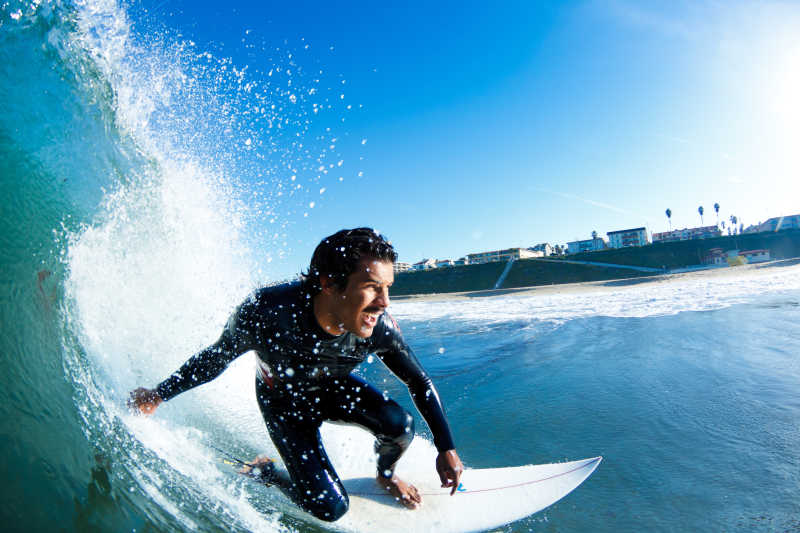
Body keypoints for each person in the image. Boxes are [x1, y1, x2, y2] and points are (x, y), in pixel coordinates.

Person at [129, 227, 463, 521]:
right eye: (373, 287)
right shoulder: (267, 312)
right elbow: (217, 357)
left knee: (399, 425)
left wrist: (445, 447)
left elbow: (419, 381)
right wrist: (158, 395)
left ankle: (386, 475)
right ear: (329, 283)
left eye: (387, 287)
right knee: (330, 509)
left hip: (333, 391)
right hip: (283, 404)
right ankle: (269, 472)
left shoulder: (380, 329)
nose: (385, 302)